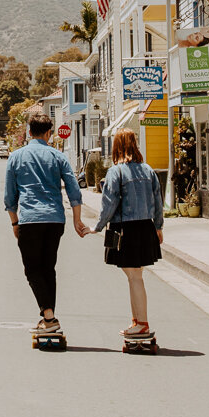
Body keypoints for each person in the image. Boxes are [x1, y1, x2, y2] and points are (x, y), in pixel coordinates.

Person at [4, 109, 86, 335]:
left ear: (30, 132)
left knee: (32, 269)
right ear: (49, 133)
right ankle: (49, 318)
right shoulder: (59, 157)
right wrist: (77, 220)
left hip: (30, 220)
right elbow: (73, 189)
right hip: (55, 220)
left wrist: (14, 223)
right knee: (48, 268)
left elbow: (10, 197)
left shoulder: (16, 157)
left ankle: (49, 316)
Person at [88, 129, 163, 340]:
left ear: (117, 146)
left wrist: (98, 226)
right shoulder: (148, 171)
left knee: (134, 277)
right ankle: (137, 321)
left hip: (125, 228)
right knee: (135, 276)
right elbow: (158, 202)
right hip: (145, 227)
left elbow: (109, 203)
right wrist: (158, 227)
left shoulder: (116, 172)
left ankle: (142, 323)